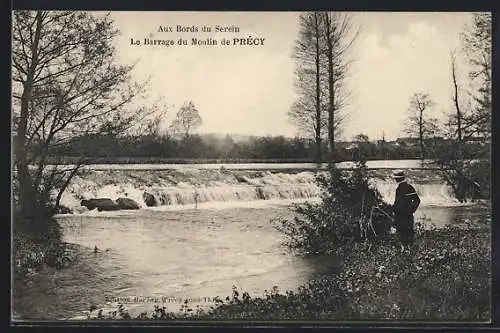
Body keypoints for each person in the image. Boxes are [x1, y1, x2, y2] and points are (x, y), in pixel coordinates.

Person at [389, 170, 421, 253]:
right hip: (407, 215)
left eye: (396, 178)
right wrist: (411, 210)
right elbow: (417, 200)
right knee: (408, 233)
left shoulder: (399, 189)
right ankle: (408, 251)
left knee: (402, 234)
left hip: (401, 216)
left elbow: (398, 204)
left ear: (397, 179)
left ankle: (405, 251)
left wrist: (393, 210)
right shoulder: (409, 187)